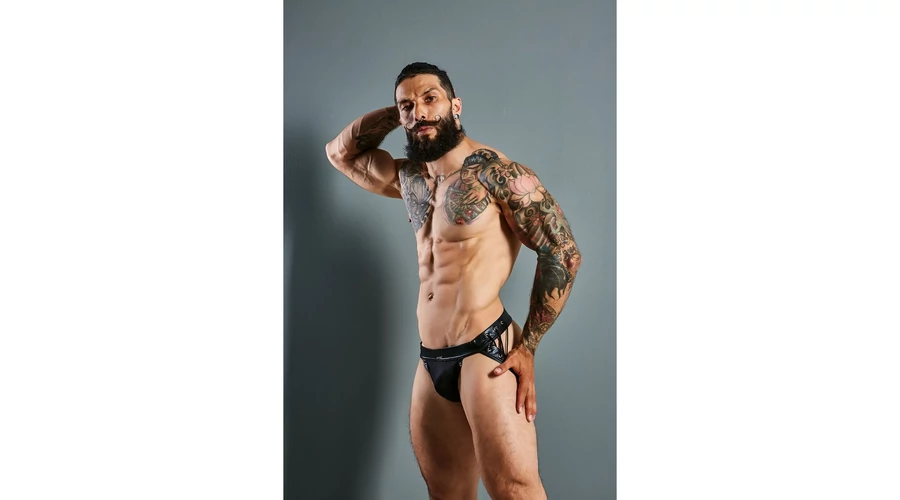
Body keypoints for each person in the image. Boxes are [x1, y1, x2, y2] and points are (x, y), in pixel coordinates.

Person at [324, 62, 582, 500]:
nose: (420, 111)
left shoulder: (496, 174)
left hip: (486, 350)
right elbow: (339, 154)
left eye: (430, 99)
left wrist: (530, 346)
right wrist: (401, 113)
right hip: (431, 360)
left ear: (455, 105)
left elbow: (563, 251)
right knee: (445, 493)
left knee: (514, 489)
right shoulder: (410, 178)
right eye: (408, 105)